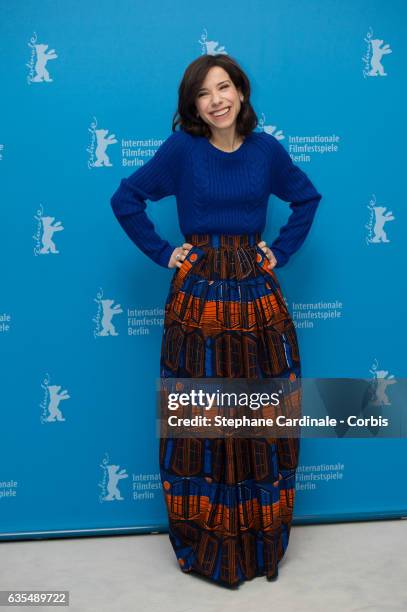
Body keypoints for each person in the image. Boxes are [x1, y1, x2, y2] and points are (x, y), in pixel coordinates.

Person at [110, 53, 322, 588]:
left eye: (224, 87)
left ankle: (259, 541)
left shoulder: (265, 150)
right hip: (198, 299)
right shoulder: (182, 150)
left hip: (256, 295)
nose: (217, 100)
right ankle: (205, 544)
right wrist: (165, 253)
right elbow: (127, 198)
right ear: (193, 106)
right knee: (200, 423)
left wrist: (281, 251)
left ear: (241, 92)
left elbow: (306, 198)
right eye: (205, 94)